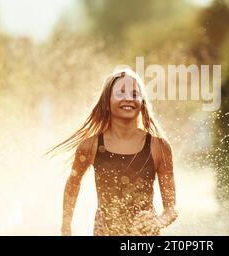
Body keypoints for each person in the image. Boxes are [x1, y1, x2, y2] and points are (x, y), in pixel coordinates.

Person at [47, 69, 178, 235]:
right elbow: (73, 184)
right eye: (121, 92)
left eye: (135, 93)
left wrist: (158, 222)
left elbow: (171, 209)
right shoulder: (90, 146)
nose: (129, 98)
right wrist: (66, 227)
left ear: (142, 103)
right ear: (106, 103)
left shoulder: (159, 147)